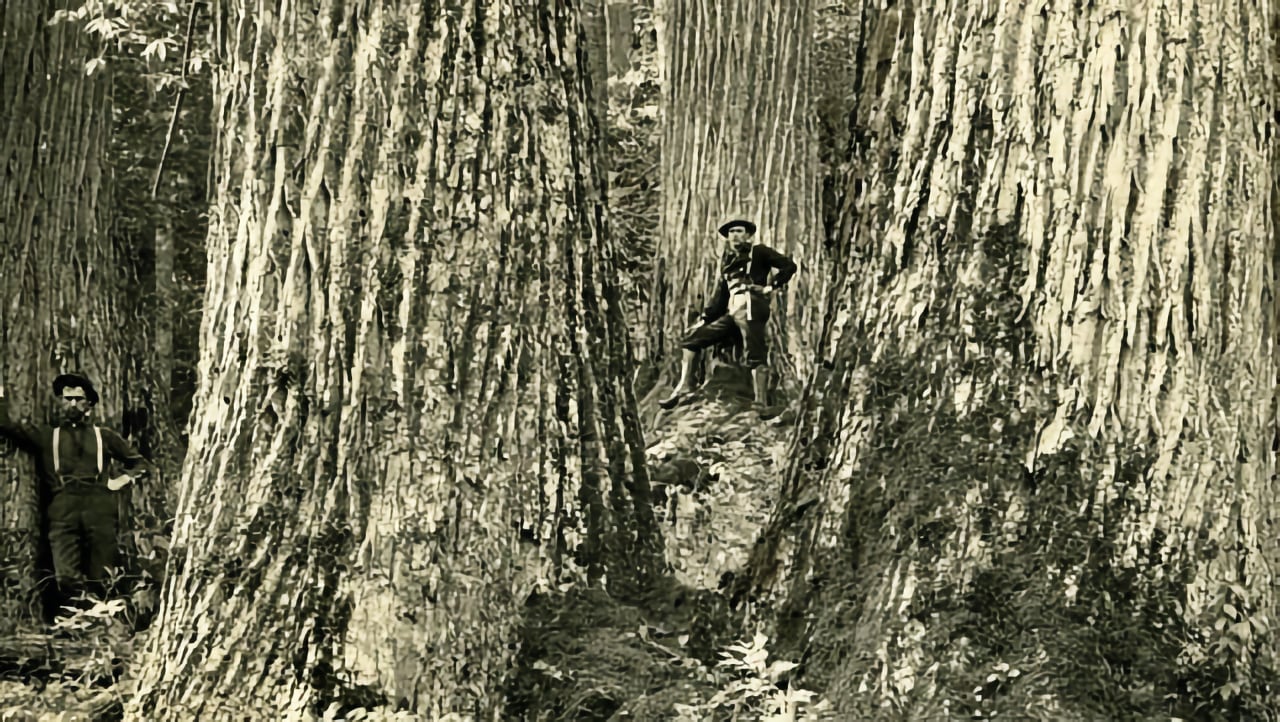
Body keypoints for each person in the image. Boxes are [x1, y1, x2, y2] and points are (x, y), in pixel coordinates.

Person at [0, 374, 152, 606]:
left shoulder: (104, 436)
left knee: (103, 574)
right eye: (66, 398)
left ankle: (102, 627)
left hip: (100, 506)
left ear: (89, 404)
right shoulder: (47, 436)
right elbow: (7, 426)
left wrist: (121, 480)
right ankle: (80, 617)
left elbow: (141, 464)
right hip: (63, 508)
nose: (72, 404)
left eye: (78, 399)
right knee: (66, 577)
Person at [660, 219, 797, 417]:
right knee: (692, 341)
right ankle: (685, 386)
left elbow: (788, 266)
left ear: (748, 235)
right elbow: (721, 297)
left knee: (755, 353)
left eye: (739, 231)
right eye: (731, 232)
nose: (734, 235)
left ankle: (761, 403)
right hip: (732, 313)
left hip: (752, 309)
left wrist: (770, 287)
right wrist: (704, 319)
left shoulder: (759, 252)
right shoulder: (728, 263)